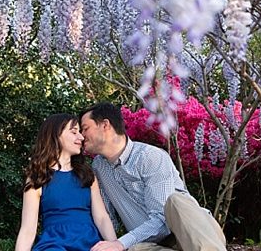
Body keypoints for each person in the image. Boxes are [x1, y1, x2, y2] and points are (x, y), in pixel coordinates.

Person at [80, 102, 227, 251]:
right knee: (136, 249)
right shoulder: (98, 167)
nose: (81, 135)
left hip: (193, 234)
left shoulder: (149, 156)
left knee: (176, 201)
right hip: (156, 244)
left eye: (85, 128)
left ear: (105, 125)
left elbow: (162, 220)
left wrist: (120, 244)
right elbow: (108, 217)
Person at [15, 113, 117, 251]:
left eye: (80, 132)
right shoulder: (37, 177)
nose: (81, 137)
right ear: (56, 135)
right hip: (54, 244)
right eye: (74, 132)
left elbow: (102, 217)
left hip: (90, 243)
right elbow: (28, 230)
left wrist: (115, 244)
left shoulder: (87, 174)